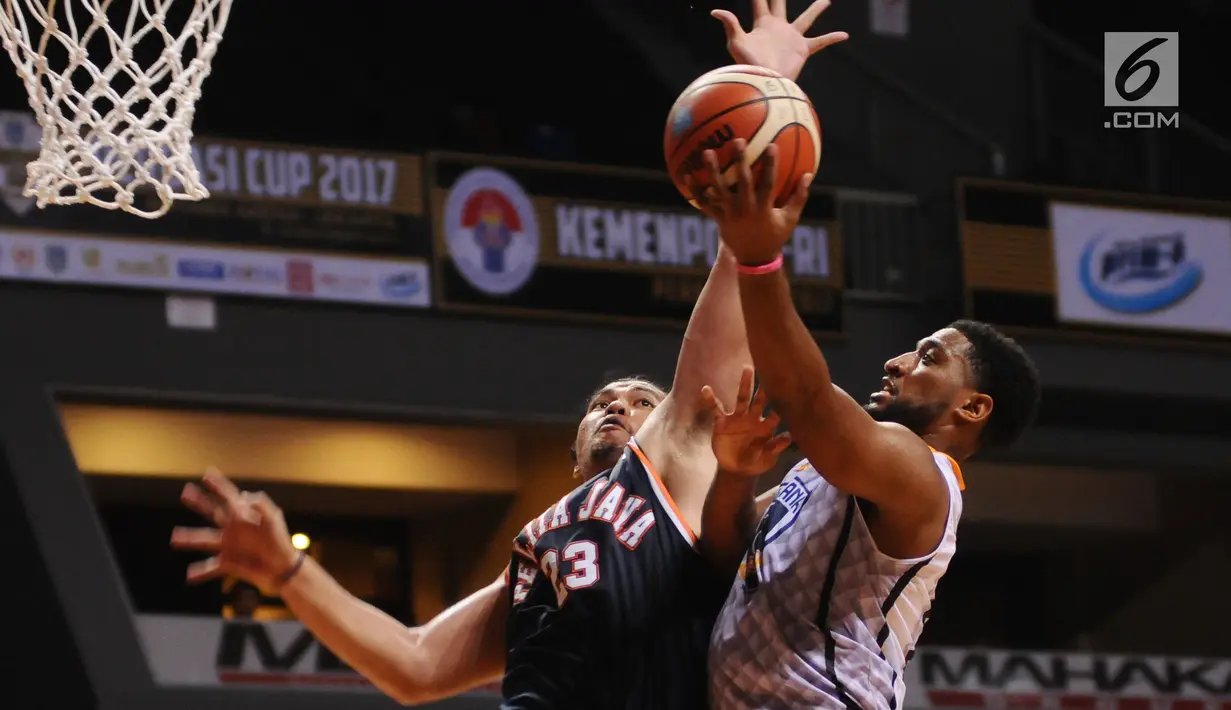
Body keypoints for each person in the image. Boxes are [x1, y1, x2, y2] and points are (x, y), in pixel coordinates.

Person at [169, 8, 849, 709]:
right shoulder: (538, 544)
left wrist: (764, 86)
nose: (618, 404)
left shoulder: (674, 458)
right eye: (602, 404)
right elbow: (416, 664)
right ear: (571, 450)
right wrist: (287, 571)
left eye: (641, 401)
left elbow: (730, 287)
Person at [693, 142, 1041, 710]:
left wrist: (758, 258)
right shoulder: (826, 474)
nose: (896, 362)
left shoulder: (923, 474)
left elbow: (805, 397)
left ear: (973, 408)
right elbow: (724, 554)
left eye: (929, 358)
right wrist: (732, 474)